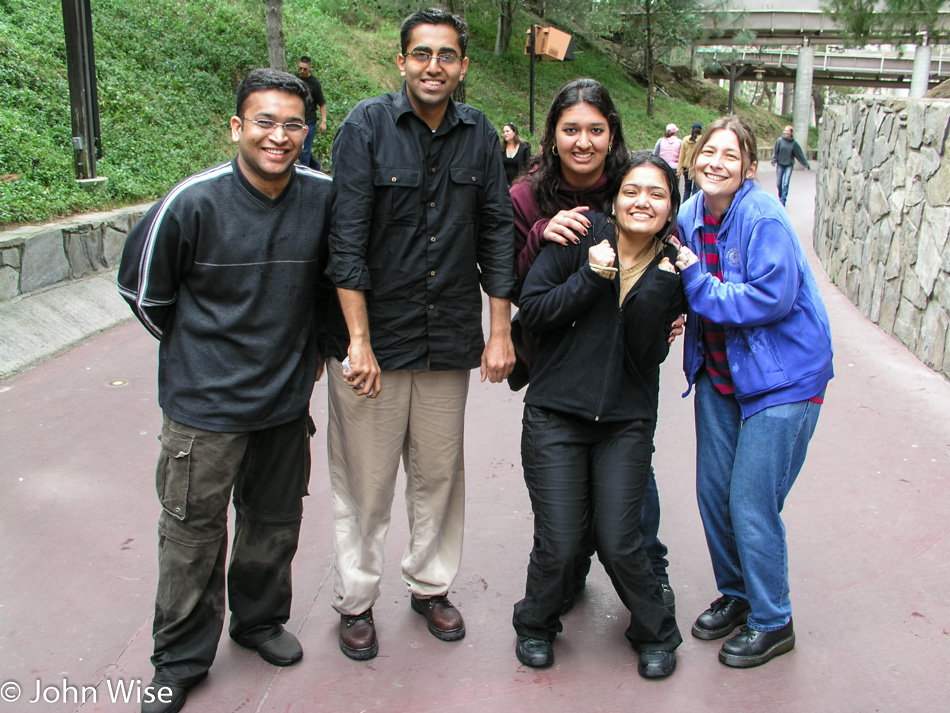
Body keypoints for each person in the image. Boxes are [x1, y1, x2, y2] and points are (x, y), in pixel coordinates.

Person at [117, 68, 332, 713]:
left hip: (284, 402)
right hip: (203, 409)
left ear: (307, 130)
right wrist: (197, 353)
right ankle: (179, 657)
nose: (280, 136)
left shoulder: (324, 196)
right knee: (192, 533)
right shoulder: (192, 202)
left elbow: (336, 281)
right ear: (237, 127)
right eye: (265, 121)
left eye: (293, 123)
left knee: (274, 522)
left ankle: (259, 620)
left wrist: (317, 350)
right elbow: (143, 290)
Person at [324, 7, 515, 662]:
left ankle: (430, 585)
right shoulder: (365, 127)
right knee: (366, 481)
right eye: (421, 54)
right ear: (401, 60)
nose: (434, 66)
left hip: (447, 337)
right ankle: (355, 600)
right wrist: (358, 340)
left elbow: (496, 232)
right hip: (371, 342)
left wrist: (499, 331)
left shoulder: (480, 133)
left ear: (462, 65)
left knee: (438, 474)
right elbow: (344, 240)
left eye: (446, 56)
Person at [512, 152, 685, 677]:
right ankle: (535, 623)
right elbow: (535, 310)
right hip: (555, 414)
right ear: (615, 197)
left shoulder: (673, 269)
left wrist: (657, 291)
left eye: (657, 194)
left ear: (671, 207)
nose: (643, 201)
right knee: (562, 542)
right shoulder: (583, 234)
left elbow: (644, 356)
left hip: (626, 421)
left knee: (619, 539)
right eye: (633, 190)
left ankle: (655, 631)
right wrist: (590, 277)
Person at [675, 115, 833, 669]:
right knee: (714, 494)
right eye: (708, 152)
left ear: (747, 167)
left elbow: (772, 297)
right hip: (720, 374)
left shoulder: (763, 214)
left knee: (750, 500)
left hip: (783, 377)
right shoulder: (690, 213)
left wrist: (696, 286)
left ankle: (774, 619)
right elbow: (676, 277)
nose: (716, 162)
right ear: (694, 158)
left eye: (730, 154)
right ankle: (739, 596)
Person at [297, 56, 327, 169]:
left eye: (305, 69)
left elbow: (322, 103)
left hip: (309, 121)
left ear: (310, 68)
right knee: (298, 148)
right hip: (297, 120)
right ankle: (316, 166)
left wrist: (323, 121)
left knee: (304, 150)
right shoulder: (295, 80)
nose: (302, 71)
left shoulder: (314, 83)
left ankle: (304, 174)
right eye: (300, 68)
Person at [770, 125, 810, 206]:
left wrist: (806, 164)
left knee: (786, 183)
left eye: (788, 131)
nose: (786, 132)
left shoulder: (794, 143)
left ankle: (783, 199)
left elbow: (800, 155)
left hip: (789, 165)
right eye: (785, 131)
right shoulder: (779, 141)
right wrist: (773, 160)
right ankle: (780, 195)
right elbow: (775, 151)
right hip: (780, 164)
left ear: (791, 132)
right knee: (778, 183)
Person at [678, 122, 702, 202]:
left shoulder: (685, 140)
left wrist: (679, 169)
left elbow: (682, 155)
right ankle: (694, 206)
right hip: (697, 166)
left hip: (686, 167)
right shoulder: (702, 140)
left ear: (692, 129)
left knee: (687, 189)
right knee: (696, 188)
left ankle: (684, 206)